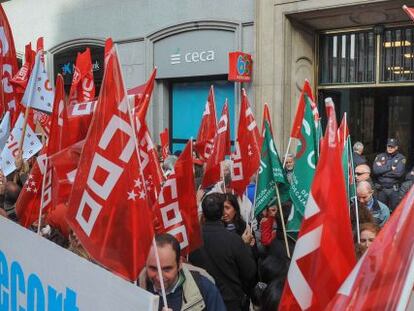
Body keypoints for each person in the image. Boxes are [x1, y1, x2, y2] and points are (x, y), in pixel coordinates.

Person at [189, 193, 257, 311]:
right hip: (230, 302)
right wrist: (245, 247)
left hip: (206, 302)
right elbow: (250, 272)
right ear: (221, 213)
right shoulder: (234, 240)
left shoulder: (193, 241)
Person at [139, 233, 226, 311]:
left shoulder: (205, 288)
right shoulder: (136, 288)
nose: (159, 277)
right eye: (153, 268)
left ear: (179, 264)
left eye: (167, 269)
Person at [372, 138, 406, 211]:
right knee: (380, 210)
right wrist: (390, 168)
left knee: (395, 211)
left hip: (393, 190)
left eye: (392, 147)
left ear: (396, 147)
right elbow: (375, 170)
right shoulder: (380, 156)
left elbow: (398, 173)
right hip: (381, 189)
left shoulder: (401, 158)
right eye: (388, 146)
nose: (390, 148)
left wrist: (382, 173)